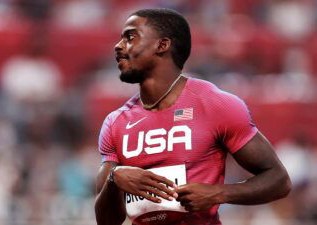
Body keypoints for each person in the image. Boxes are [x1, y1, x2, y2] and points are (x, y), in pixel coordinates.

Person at [94, 8, 291, 225]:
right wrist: (114, 179)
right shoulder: (116, 123)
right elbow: (106, 222)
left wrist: (218, 193)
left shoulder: (216, 104)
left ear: (162, 45)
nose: (118, 45)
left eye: (130, 37)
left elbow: (279, 180)